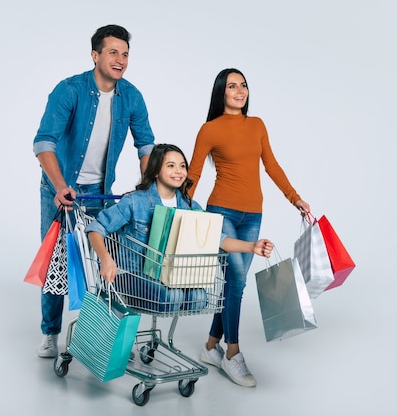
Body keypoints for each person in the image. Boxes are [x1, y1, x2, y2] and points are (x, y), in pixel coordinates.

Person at [32, 24, 156, 358]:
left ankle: (102, 334)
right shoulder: (69, 90)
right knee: (59, 260)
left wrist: (147, 190)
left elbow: (146, 146)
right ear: (95, 55)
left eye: (126, 54)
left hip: (101, 194)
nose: (120, 60)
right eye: (113, 52)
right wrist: (60, 186)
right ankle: (50, 332)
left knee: (104, 262)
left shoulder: (131, 96)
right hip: (59, 189)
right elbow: (44, 142)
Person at [187, 68, 310, 387]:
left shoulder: (257, 125)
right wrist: (179, 208)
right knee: (237, 281)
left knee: (232, 282)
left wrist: (295, 199)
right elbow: (195, 172)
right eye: (232, 86)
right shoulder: (209, 129)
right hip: (222, 212)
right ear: (221, 93)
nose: (240, 90)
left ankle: (211, 346)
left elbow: (271, 165)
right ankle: (233, 353)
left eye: (243, 85)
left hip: (253, 215)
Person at [85, 144, 274, 312]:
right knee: (172, 298)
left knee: (200, 299)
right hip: (133, 275)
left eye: (183, 166)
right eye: (171, 166)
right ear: (156, 171)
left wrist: (252, 247)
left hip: (173, 278)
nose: (179, 171)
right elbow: (96, 228)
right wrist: (106, 259)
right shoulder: (135, 201)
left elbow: (218, 238)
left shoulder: (190, 206)